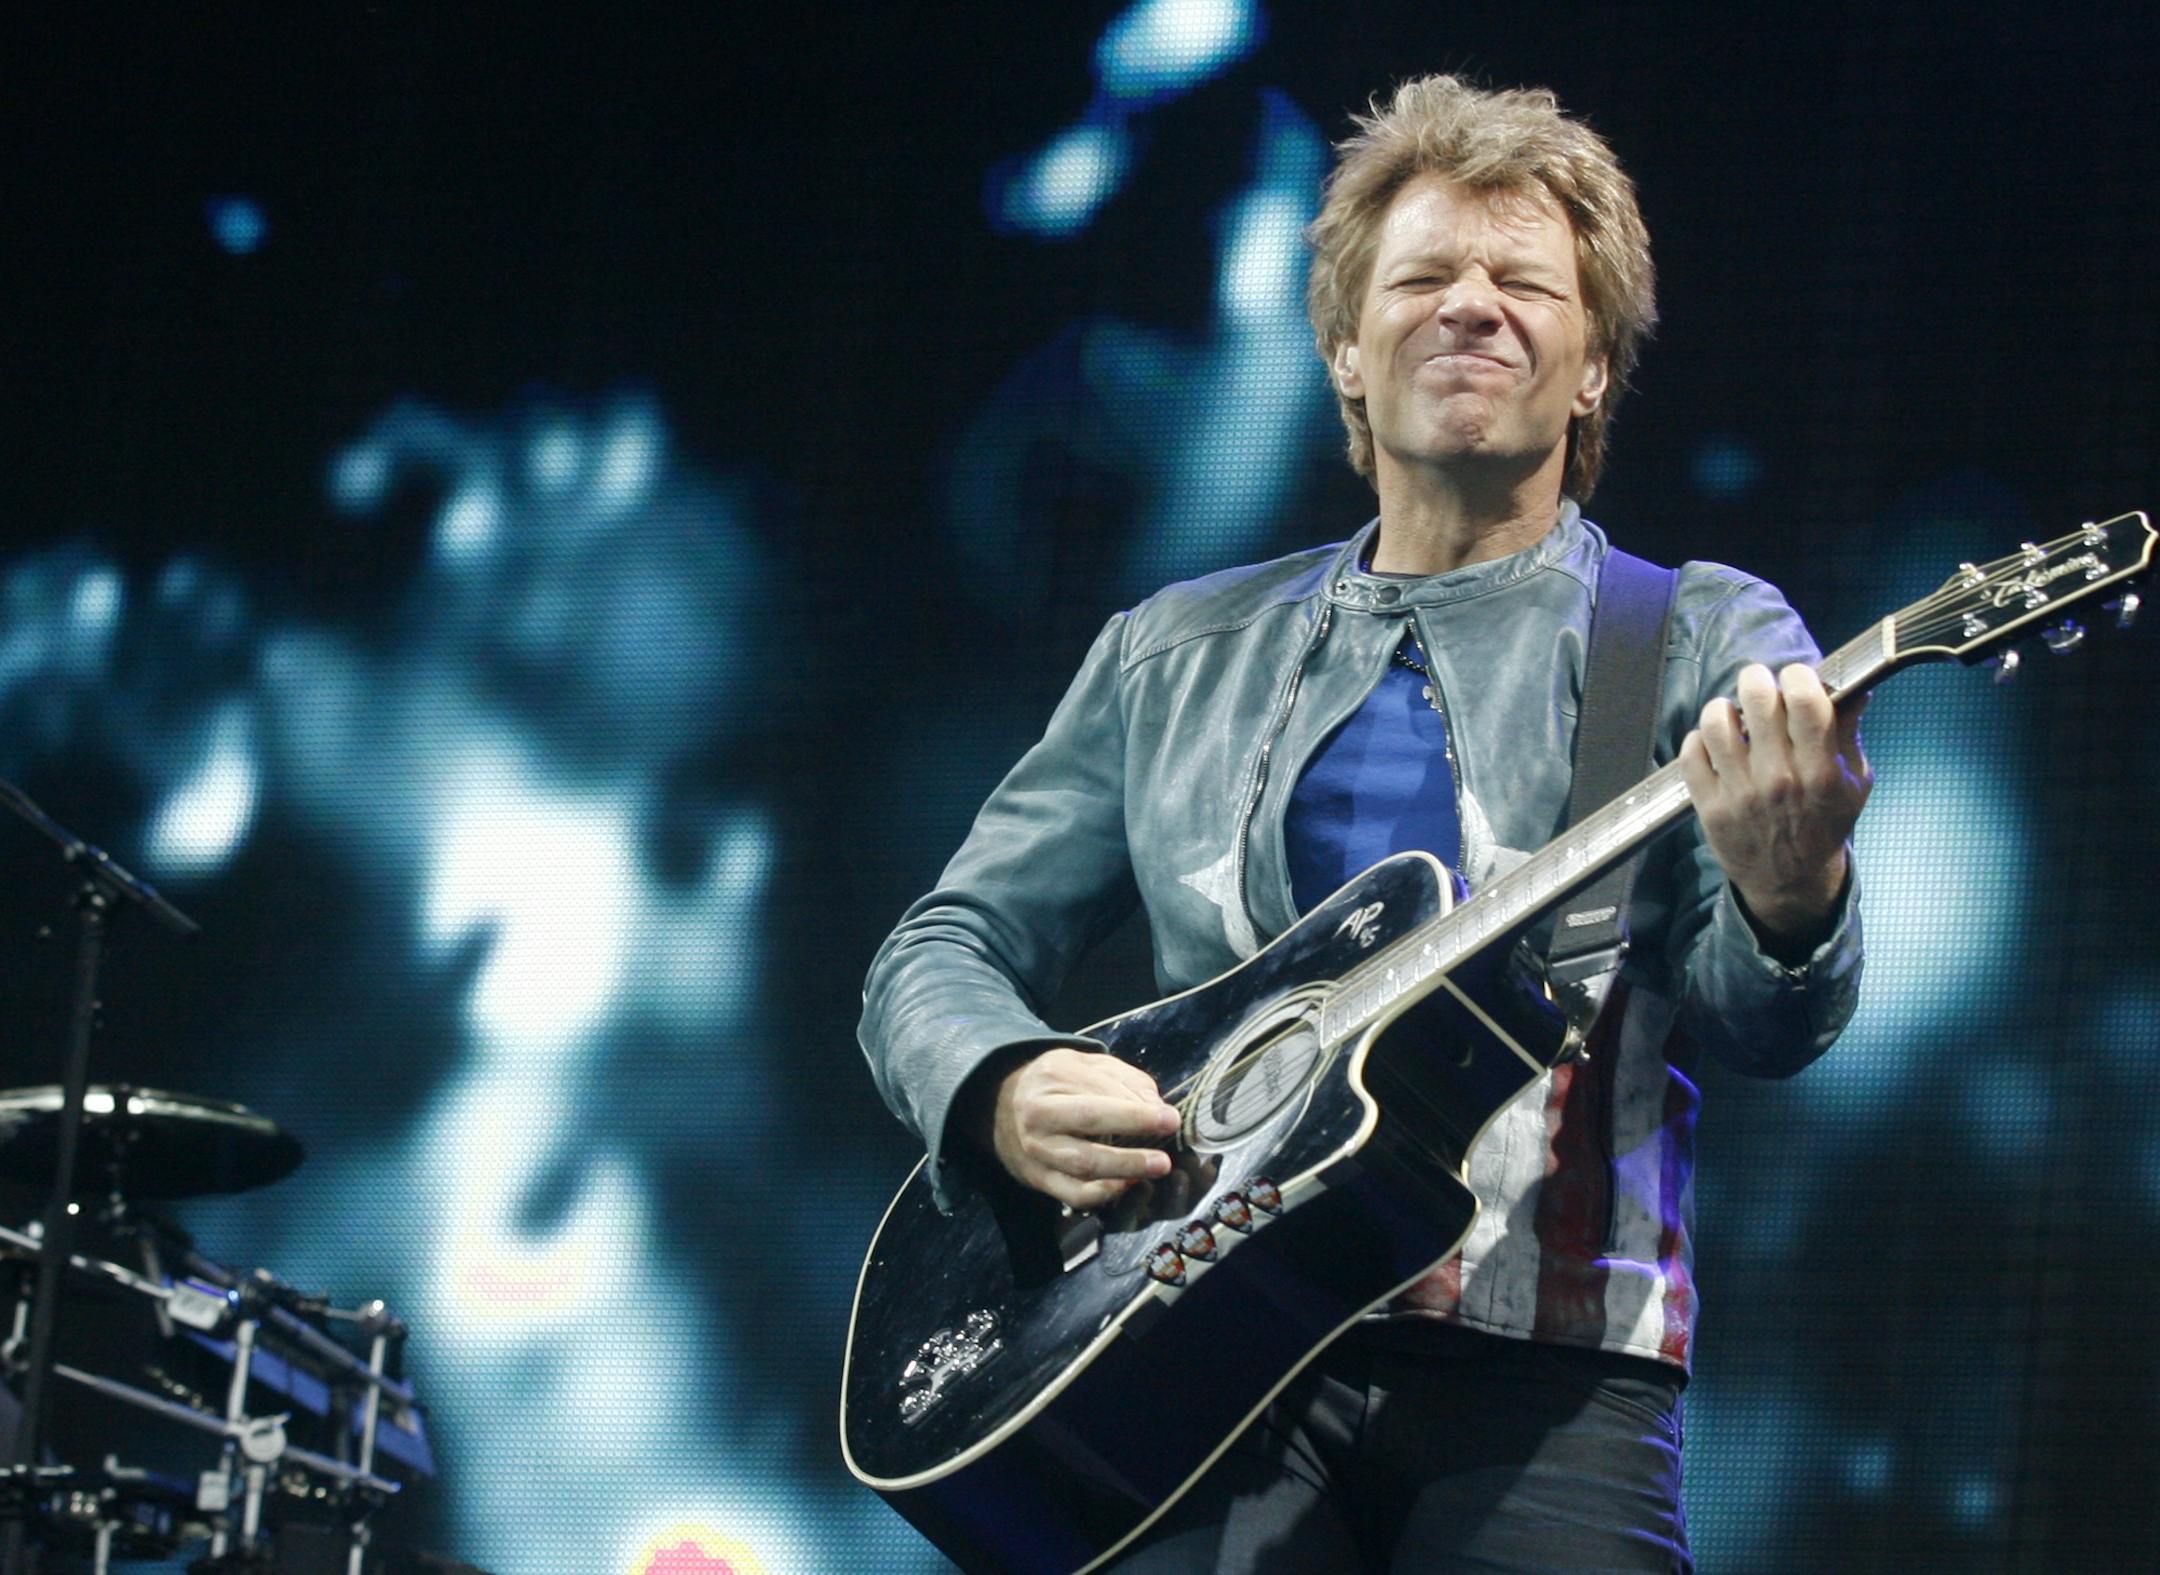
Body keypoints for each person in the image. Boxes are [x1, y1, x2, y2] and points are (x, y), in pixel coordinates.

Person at [860, 74, 1871, 1572]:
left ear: (1594, 367)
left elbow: (1763, 1025)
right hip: (1182, 1355)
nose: (1472, 307)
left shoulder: (1705, 634)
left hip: (1554, 1374)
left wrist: (1797, 897)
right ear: (1343, 347)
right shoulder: (1170, 651)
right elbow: (940, 946)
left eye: (1524, 280)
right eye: (1423, 277)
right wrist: (998, 1090)